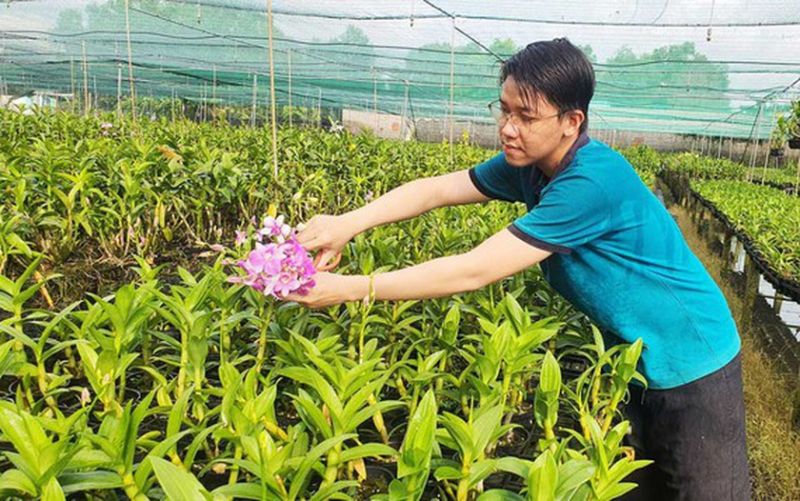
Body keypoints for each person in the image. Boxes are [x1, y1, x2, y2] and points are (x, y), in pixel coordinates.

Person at [287, 38, 750, 501]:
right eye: (504, 110)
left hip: (694, 360)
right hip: (634, 359)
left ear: (572, 122)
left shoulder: (591, 182)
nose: (508, 128)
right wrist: (347, 223)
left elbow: (473, 270)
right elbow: (436, 190)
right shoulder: (531, 166)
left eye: (526, 116)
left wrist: (349, 288)